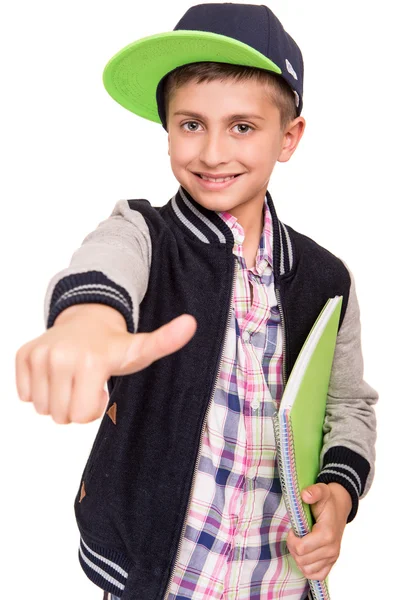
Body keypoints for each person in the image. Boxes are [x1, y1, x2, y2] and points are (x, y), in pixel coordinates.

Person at [15, 3, 378, 600]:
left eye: (241, 126)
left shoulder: (326, 277)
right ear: (167, 131)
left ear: (288, 138)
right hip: (162, 578)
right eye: (190, 124)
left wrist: (338, 496)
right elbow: (104, 264)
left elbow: (349, 407)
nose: (211, 153)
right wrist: (87, 319)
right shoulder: (143, 233)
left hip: (279, 580)